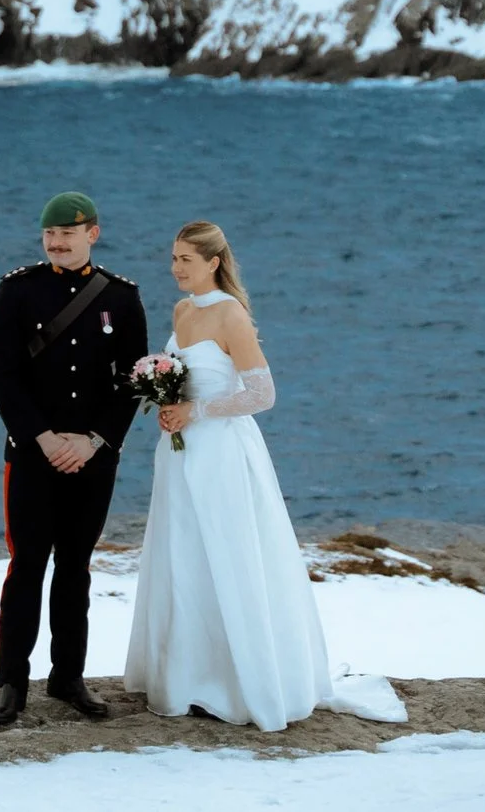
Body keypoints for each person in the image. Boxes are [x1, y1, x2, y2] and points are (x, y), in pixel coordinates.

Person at [122, 220, 332, 730]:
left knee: (224, 553)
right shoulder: (182, 310)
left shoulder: (230, 315)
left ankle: (236, 682)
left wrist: (196, 412)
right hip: (179, 453)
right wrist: (168, 403)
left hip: (220, 454)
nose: (176, 269)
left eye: (186, 261)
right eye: (173, 258)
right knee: (184, 555)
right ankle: (187, 676)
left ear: (213, 263)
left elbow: (263, 394)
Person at [0, 191, 148, 723]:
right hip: (34, 454)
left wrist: (94, 440)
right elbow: (2, 375)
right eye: (50, 235)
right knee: (27, 566)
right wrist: (45, 438)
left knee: (75, 568)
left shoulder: (122, 299)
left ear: (91, 234)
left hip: (93, 458)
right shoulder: (17, 291)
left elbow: (130, 381)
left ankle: (68, 677)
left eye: (68, 234)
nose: (56, 243)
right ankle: (10, 682)